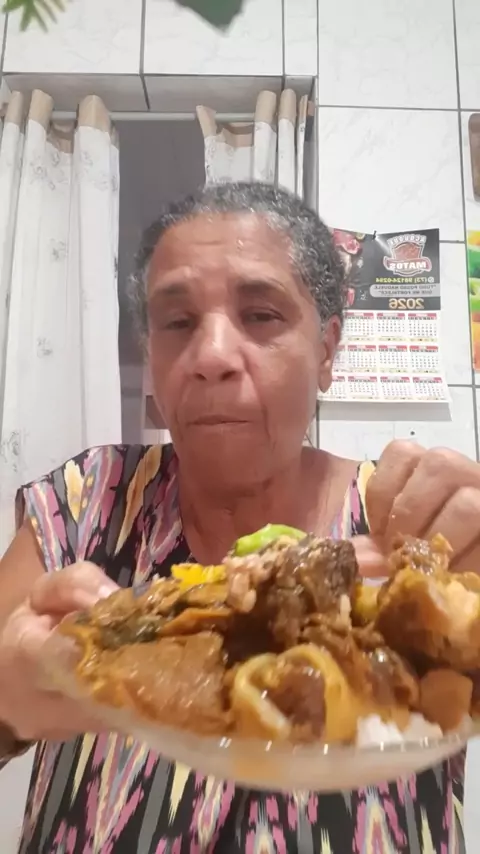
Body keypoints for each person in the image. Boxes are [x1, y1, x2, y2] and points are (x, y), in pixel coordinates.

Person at [0, 183, 478, 854]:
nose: (212, 357)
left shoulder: (407, 525)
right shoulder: (87, 500)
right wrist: (9, 704)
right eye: (177, 323)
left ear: (328, 350)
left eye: (260, 315)